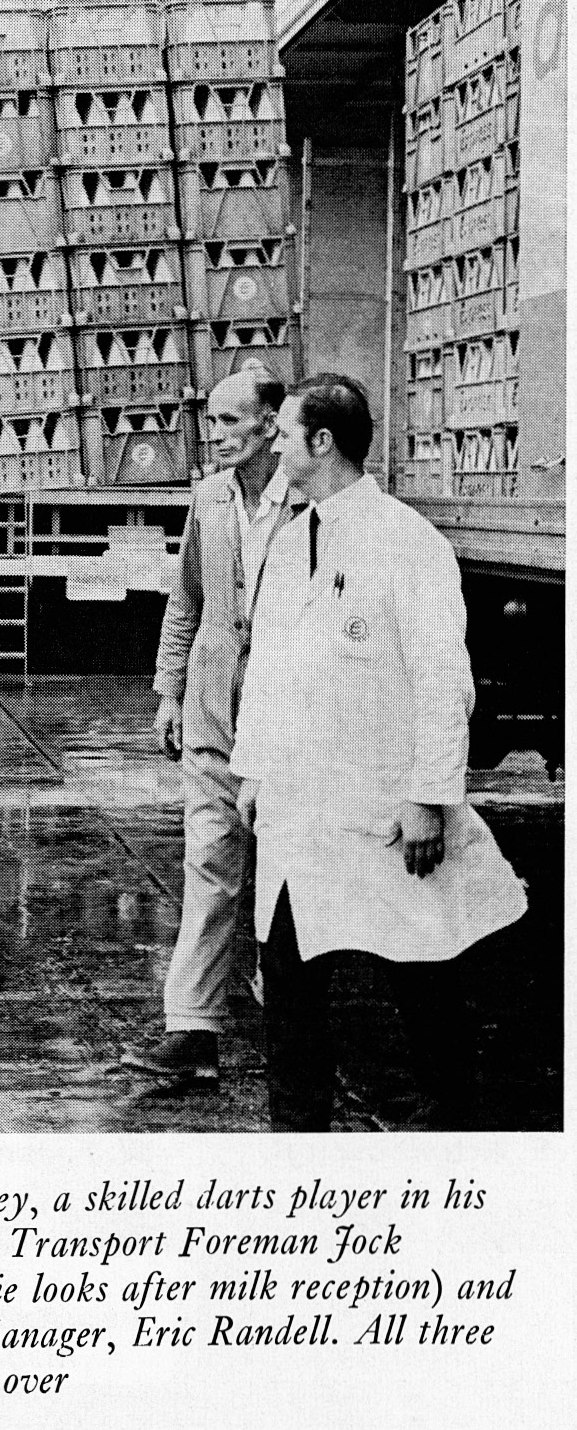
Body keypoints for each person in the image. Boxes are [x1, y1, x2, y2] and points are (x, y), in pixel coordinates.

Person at [231, 373, 527, 1131]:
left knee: (419, 977)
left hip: (383, 811)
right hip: (300, 815)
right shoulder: (289, 541)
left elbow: (443, 679)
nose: (274, 445)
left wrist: (430, 796)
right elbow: (267, 667)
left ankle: (456, 1130)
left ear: (322, 442)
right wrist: (253, 768)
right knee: (289, 984)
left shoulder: (407, 541)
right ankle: (297, 1140)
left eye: (284, 434)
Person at [125, 364, 304, 1088]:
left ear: (270, 423)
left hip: (285, 719)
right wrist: (169, 691)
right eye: (212, 420)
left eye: (230, 420)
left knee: (287, 871)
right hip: (212, 712)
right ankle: (192, 1028)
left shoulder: (309, 503)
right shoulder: (210, 497)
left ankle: (284, 998)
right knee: (209, 865)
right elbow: (186, 601)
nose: (216, 434)